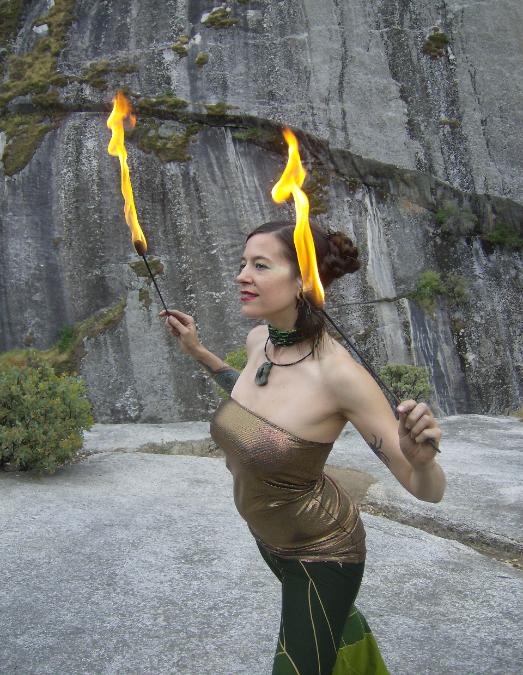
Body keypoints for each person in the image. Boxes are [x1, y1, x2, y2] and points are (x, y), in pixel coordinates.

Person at [160, 220, 445, 675]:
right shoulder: (260, 342)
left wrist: (422, 462)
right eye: (243, 264)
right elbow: (253, 404)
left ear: (303, 281)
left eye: (260, 265)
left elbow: (426, 489)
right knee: (336, 637)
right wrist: (199, 352)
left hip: (322, 551)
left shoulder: (339, 376)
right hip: (270, 539)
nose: (241, 276)